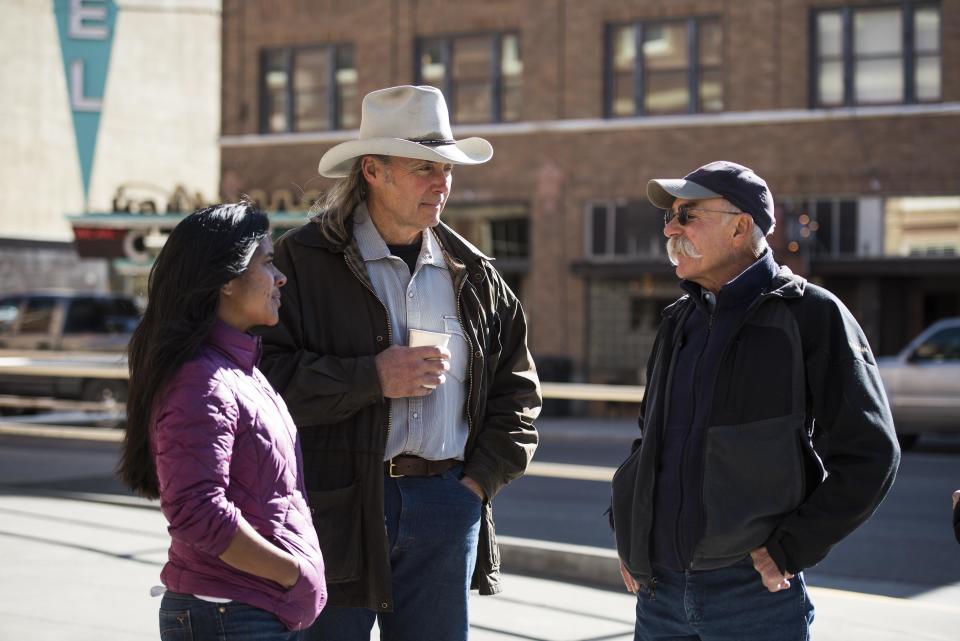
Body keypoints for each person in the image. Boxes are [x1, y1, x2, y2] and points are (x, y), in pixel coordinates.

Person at [256, 84, 541, 641]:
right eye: (422, 168)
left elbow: (519, 392)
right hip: (332, 508)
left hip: (446, 505)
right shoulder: (300, 262)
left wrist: (477, 485)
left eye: (447, 169)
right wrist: (371, 377)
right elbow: (259, 384)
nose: (442, 183)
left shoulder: (476, 275)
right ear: (372, 170)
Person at [610, 161, 900, 640]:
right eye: (670, 216)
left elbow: (871, 453)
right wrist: (630, 535)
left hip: (752, 599)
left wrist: (791, 548)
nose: (669, 227)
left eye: (687, 215)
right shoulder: (677, 320)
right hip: (658, 596)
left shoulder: (811, 315)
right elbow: (650, 443)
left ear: (741, 226)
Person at [116, 203, 327, 640]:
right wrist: (291, 574)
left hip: (247, 608)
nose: (280, 278)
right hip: (229, 613)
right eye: (268, 263)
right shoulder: (201, 379)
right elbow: (196, 510)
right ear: (227, 280)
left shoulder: (238, 370)